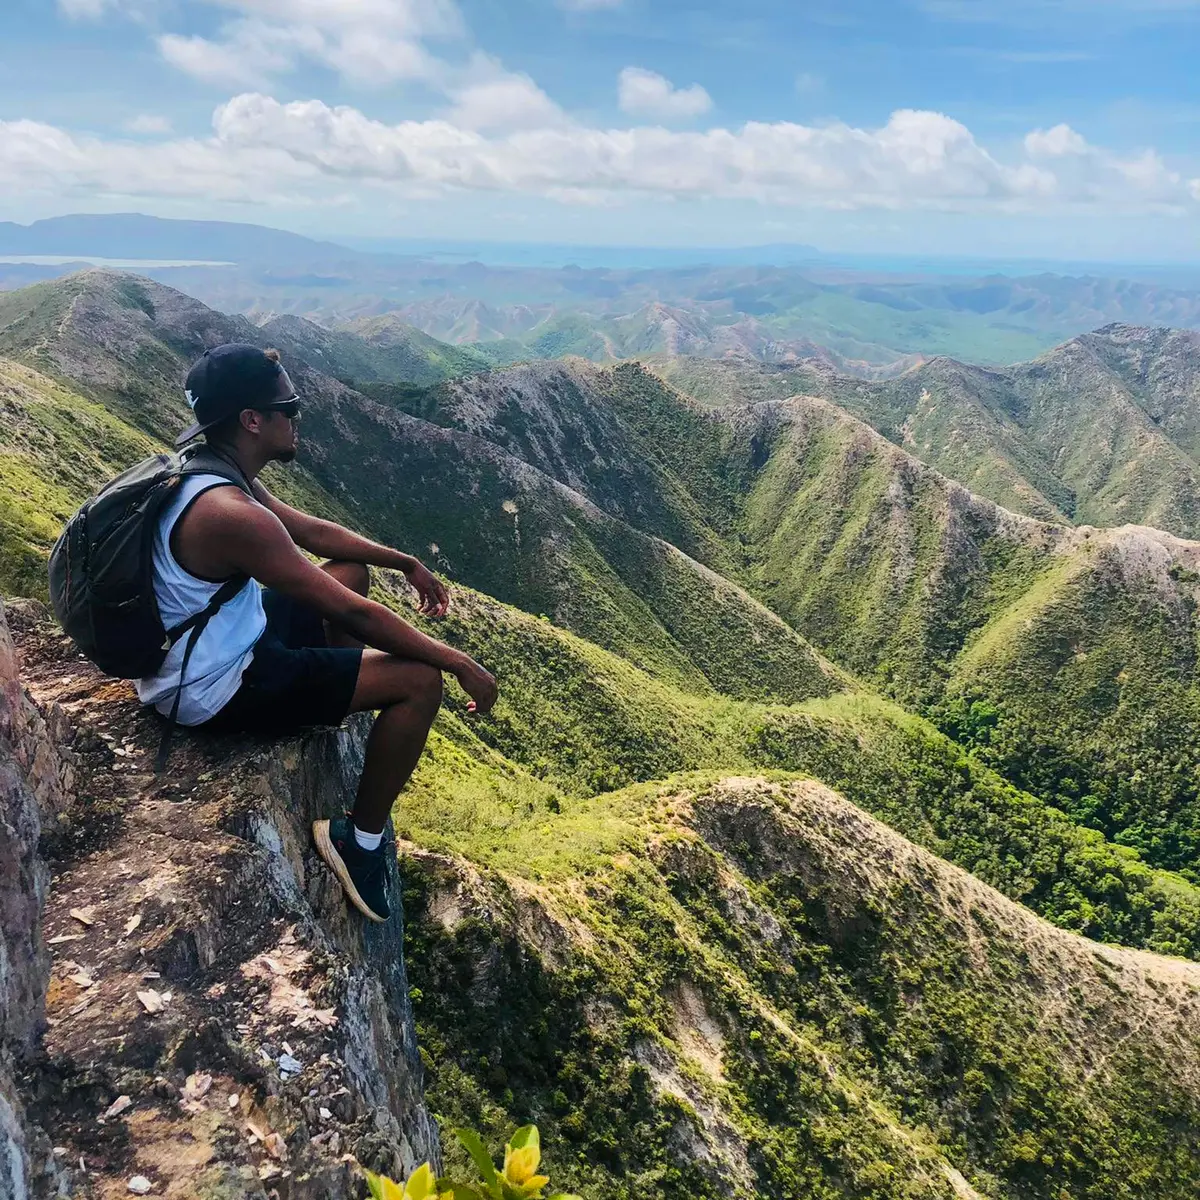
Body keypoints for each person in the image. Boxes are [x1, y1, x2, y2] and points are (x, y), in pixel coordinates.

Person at [136, 343, 497, 923]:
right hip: (217, 684)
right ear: (253, 420)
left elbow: (310, 532)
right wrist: (457, 660)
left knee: (353, 571)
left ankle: (331, 702)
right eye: (291, 406)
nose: (298, 418)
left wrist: (403, 560)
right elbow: (353, 615)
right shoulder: (232, 515)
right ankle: (361, 843)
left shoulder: (214, 472)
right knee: (419, 680)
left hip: (219, 642)